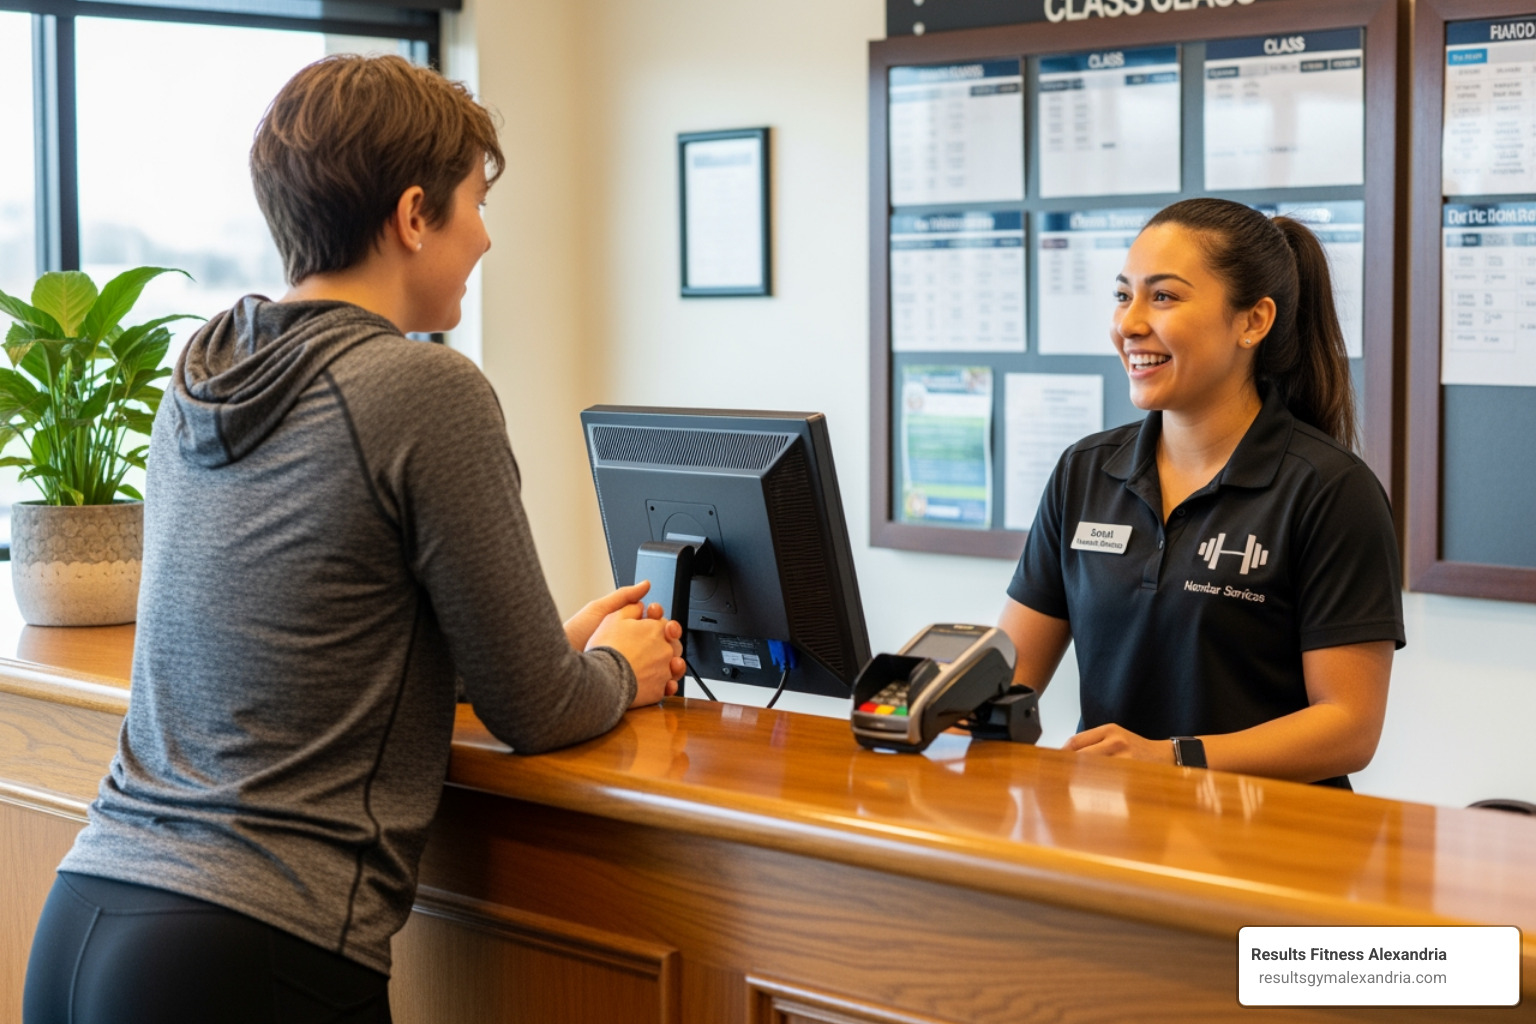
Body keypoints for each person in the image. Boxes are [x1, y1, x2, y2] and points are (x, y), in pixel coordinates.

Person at [23, 55, 683, 1024]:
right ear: (414, 216)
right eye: (474, 204)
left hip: (87, 918)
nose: (486, 236)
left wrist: (563, 635)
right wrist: (618, 671)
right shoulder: (424, 390)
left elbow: (317, 640)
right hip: (252, 952)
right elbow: (535, 712)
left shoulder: (202, 378)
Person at [1000, 198, 1403, 788]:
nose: (1129, 323)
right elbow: (1011, 680)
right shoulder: (1084, 472)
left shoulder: (1330, 489)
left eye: (1163, 296)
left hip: (1271, 844)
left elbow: (1349, 727)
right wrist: (934, 695)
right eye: (1122, 295)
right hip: (1113, 836)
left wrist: (1174, 758)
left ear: (1253, 321)